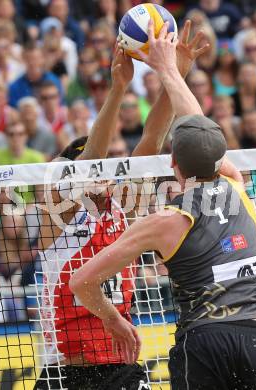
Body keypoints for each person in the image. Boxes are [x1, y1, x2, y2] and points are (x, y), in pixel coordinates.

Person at [69, 19, 256, 390]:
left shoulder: (161, 221)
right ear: (218, 160)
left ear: (172, 164)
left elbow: (82, 281)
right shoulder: (238, 186)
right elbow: (199, 129)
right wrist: (172, 72)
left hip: (202, 341)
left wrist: (111, 318)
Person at [35, 21, 215, 390]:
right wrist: (116, 90)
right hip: (68, 370)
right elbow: (90, 161)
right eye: (91, 163)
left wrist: (175, 71)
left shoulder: (123, 209)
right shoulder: (62, 212)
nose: (103, 168)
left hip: (120, 366)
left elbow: (153, 136)